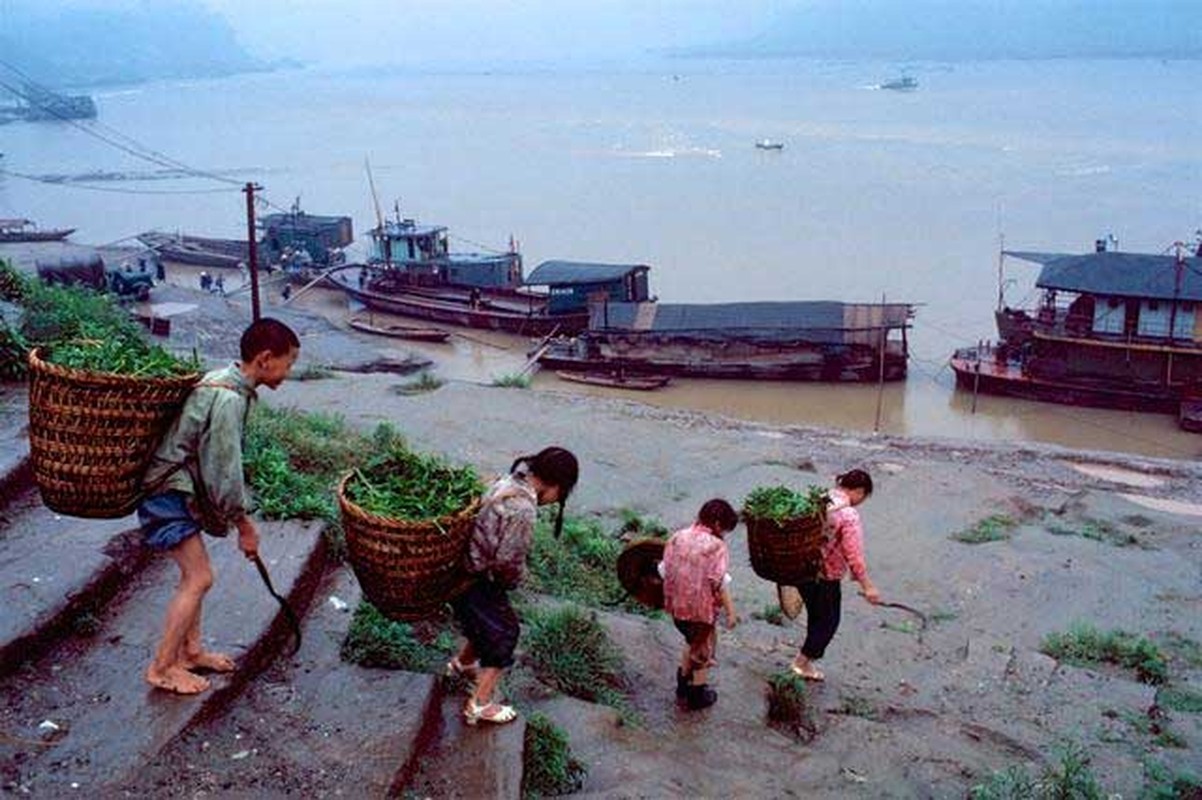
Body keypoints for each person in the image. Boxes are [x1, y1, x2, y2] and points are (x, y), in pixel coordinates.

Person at [136, 318, 300, 694]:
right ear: (264, 359)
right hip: (166, 493)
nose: (288, 373)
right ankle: (162, 667)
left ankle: (190, 652)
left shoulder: (225, 380)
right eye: (287, 364)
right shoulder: (227, 399)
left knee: (195, 575)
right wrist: (244, 526)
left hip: (175, 489)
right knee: (200, 577)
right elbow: (223, 472)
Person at [448, 446, 579, 725]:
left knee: (485, 623)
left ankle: (462, 664)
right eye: (561, 493)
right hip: (479, 577)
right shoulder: (522, 509)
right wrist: (513, 582)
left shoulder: (509, 481)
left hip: (460, 569)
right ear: (555, 485)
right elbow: (508, 561)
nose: (555, 501)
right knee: (506, 632)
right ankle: (480, 704)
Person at [789, 469, 881, 682]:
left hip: (803, 571)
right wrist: (867, 586)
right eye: (864, 497)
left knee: (816, 616)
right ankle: (800, 663)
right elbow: (854, 554)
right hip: (826, 576)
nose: (861, 502)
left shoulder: (820, 498)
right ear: (859, 491)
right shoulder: (848, 514)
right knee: (829, 622)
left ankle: (805, 662)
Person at [661, 499, 739, 710]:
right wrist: (731, 613)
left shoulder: (678, 537)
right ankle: (697, 694)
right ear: (716, 523)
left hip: (677, 610)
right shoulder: (717, 546)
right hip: (700, 613)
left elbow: (664, 570)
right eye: (724, 528)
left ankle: (682, 686)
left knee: (690, 642)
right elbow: (719, 582)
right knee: (702, 651)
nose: (724, 534)